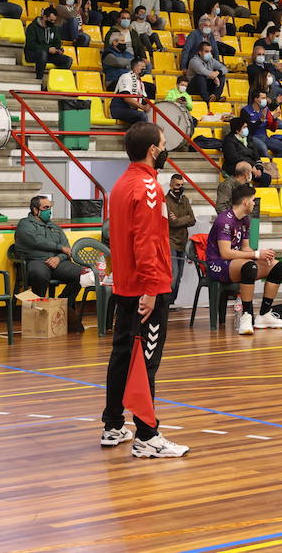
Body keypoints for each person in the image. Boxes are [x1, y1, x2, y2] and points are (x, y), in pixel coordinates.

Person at [101, 123, 187, 457]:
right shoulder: (149, 187)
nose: (166, 150)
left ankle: (112, 424)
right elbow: (147, 241)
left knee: (122, 356)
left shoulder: (121, 184)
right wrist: (152, 289)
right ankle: (148, 436)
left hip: (125, 286)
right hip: (146, 288)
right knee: (145, 362)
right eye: (164, 145)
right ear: (153, 149)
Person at [209, 183, 282, 334]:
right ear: (245, 202)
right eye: (253, 200)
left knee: (277, 266)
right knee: (249, 266)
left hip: (235, 262)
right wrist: (255, 255)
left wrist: (262, 255)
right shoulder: (225, 221)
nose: (255, 203)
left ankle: (264, 315)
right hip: (218, 264)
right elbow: (225, 253)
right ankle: (246, 316)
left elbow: (245, 248)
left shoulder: (245, 220)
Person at [14, 195, 86, 333]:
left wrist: (58, 258)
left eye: (50, 208)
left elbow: (67, 249)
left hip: (56, 262)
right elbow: (36, 241)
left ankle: (62, 305)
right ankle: (39, 313)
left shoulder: (55, 227)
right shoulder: (25, 224)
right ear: (35, 210)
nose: (49, 211)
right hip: (35, 261)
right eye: (45, 208)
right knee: (39, 275)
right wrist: (60, 248)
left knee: (80, 274)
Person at [25, 7, 73, 84]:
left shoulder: (53, 28)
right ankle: (39, 80)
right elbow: (31, 45)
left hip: (49, 54)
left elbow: (57, 42)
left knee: (68, 60)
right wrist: (47, 49)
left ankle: (55, 82)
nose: (53, 22)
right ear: (44, 17)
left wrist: (57, 49)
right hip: (33, 54)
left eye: (54, 20)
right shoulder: (32, 27)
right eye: (51, 20)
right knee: (42, 54)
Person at [165, 174, 196, 290]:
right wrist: (186, 218)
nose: (180, 187)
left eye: (182, 185)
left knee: (179, 277)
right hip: (171, 242)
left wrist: (178, 219)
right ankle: (166, 303)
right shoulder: (165, 200)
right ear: (171, 185)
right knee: (174, 275)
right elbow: (171, 223)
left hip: (183, 243)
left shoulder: (185, 199)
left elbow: (193, 220)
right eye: (177, 185)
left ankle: (172, 303)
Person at [111, 56, 149, 125]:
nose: (144, 69)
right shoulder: (126, 76)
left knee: (148, 114)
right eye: (142, 67)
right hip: (119, 109)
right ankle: (142, 135)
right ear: (135, 68)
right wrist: (142, 107)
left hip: (131, 110)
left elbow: (145, 100)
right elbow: (127, 98)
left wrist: (148, 106)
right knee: (141, 115)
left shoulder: (141, 83)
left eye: (145, 68)